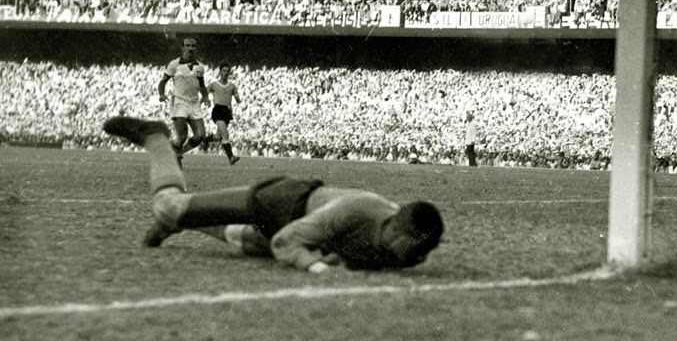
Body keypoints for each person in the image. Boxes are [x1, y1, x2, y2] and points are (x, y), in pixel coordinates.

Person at [102, 116, 444, 273]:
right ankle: (157, 137)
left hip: (304, 221)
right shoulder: (356, 210)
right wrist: (316, 268)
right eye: (416, 245)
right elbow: (284, 242)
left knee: (248, 243)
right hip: (281, 201)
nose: (420, 256)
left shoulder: (408, 247)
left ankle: (185, 223)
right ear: (397, 227)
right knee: (169, 207)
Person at [157, 37, 210, 165]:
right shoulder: (174, 64)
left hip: (194, 103)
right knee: (182, 136)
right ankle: (174, 154)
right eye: (188, 45)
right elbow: (163, 81)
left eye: (193, 46)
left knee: (201, 135)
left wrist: (206, 97)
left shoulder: (200, 67)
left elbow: (202, 85)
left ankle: (177, 153)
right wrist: (161, 94)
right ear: (182, 47)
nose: (191, 48)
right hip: (179, 102)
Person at [205, 62, 242, 165]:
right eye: (224, 71)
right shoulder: (214, 84)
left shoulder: (232, 86)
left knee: (218, 136)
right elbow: (205, 93)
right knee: (225, 134)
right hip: (218, 110)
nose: (226, 73)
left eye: (228, 71)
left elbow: (237, 98)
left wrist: (239, 100)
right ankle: (231, 157)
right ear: (220, 72)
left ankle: (204, 140)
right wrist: (205, 100)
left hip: (227, 111)